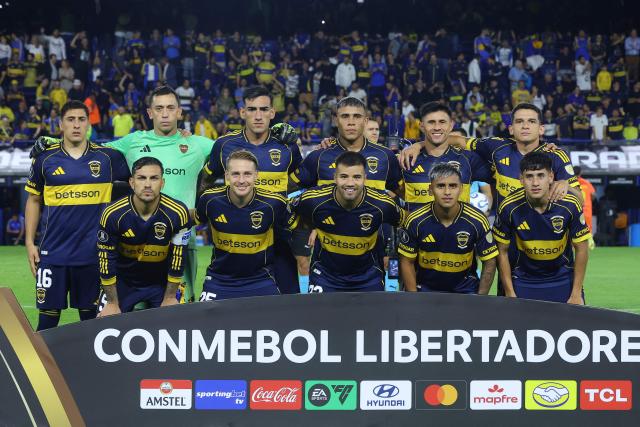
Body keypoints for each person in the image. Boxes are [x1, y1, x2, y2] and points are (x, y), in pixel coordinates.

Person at [31, 85, 213, 303]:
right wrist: (53, 142)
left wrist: (203, 198)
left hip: (179, 243)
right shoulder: (132, 141)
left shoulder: (198, 145)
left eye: (171, 108)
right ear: (150, 113)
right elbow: (91, 151)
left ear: (179, 112)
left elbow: (233, 154)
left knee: (176, 312)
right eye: (159, 108)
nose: (165, 114)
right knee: (131, 317)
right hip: (135, 243)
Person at [24, 100, 130, 330]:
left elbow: (135, 189)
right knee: (47, 323)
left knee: (91, 324)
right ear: (61, 124)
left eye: (82, 119)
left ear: (88, 124)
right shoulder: (44, 159)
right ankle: (41, 367)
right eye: (70, 119)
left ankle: (89, 368)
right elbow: (33, 200)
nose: (76, 125)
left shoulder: (108, 158)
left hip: (93, 255)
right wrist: (29, 242)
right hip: (52, 254)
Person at [201, 85, 303, 294]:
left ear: (272, 113)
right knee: (231, 299)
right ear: (242, 112)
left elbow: (299, 179)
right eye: (252, 109)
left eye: (264, 110)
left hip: (279, 236)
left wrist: (281, 200)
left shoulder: (287, 146)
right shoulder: (224, 145)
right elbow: (205, 181)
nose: (258, 116)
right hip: (237, 235)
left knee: (286, 302)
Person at [289, 151, 405, 292]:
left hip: (368, 277)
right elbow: (285, 214)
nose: (350, 183)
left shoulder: (383, 204)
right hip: (325, 276)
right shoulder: (313, 199)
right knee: (318, 315)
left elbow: (407, 223)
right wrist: (310, 227)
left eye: (357, 177)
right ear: (335, 178)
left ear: (365, 178)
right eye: (344, 176)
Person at [97, 157, 191, 315]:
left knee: (179, 324)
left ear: (162, 183)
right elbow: (106, 259)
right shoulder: (112, 214)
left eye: (154, 178)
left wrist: (169, 297)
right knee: (101, 325)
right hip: (123, 282)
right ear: (132, 182)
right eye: (141, 178)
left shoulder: (178, 212)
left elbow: (178, 257)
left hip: (161, 283)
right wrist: (112, 303)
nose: (148, 184)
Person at [492, 152, 590, 304]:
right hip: (524, 280)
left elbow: (582, 248)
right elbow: (502, 252)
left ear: (551, 177)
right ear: (521, 179)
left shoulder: (569, 204)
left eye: (540, 175)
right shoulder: (508, 207)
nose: (535, 182)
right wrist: (510, 292)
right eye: (529, 176)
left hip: (562, 278)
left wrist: (576, 293)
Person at [197, 150, 294, 300]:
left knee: (272, 323)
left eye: (247, 174)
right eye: (235, 174)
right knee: (204, 323)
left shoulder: (274, 204)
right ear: (226, 176)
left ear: (256, 176)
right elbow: (189, 219)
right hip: (219, 280)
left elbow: (297, 226)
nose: (241, 180)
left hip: (261, 281)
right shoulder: (210, 200)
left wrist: (313, 230)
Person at [399, 163, 497, 294]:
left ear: (461, 189)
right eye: (440, 186)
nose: (447, 192)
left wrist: (481, 298)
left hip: (465, 290)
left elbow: (489, 261)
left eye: (453, 186)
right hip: (425, 290)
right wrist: (414, 297)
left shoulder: (477, 220)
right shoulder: (415, 220)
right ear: (430, 189)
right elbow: (406, 261)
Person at [399, 102, 492, 213]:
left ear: (451, 125)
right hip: (417, 230)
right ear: (421, 126)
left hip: (459, 229)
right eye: (431, 122)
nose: (437, 127)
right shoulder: (406, 159)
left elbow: (502, 177)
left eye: (442, 122)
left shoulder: (469, 159)